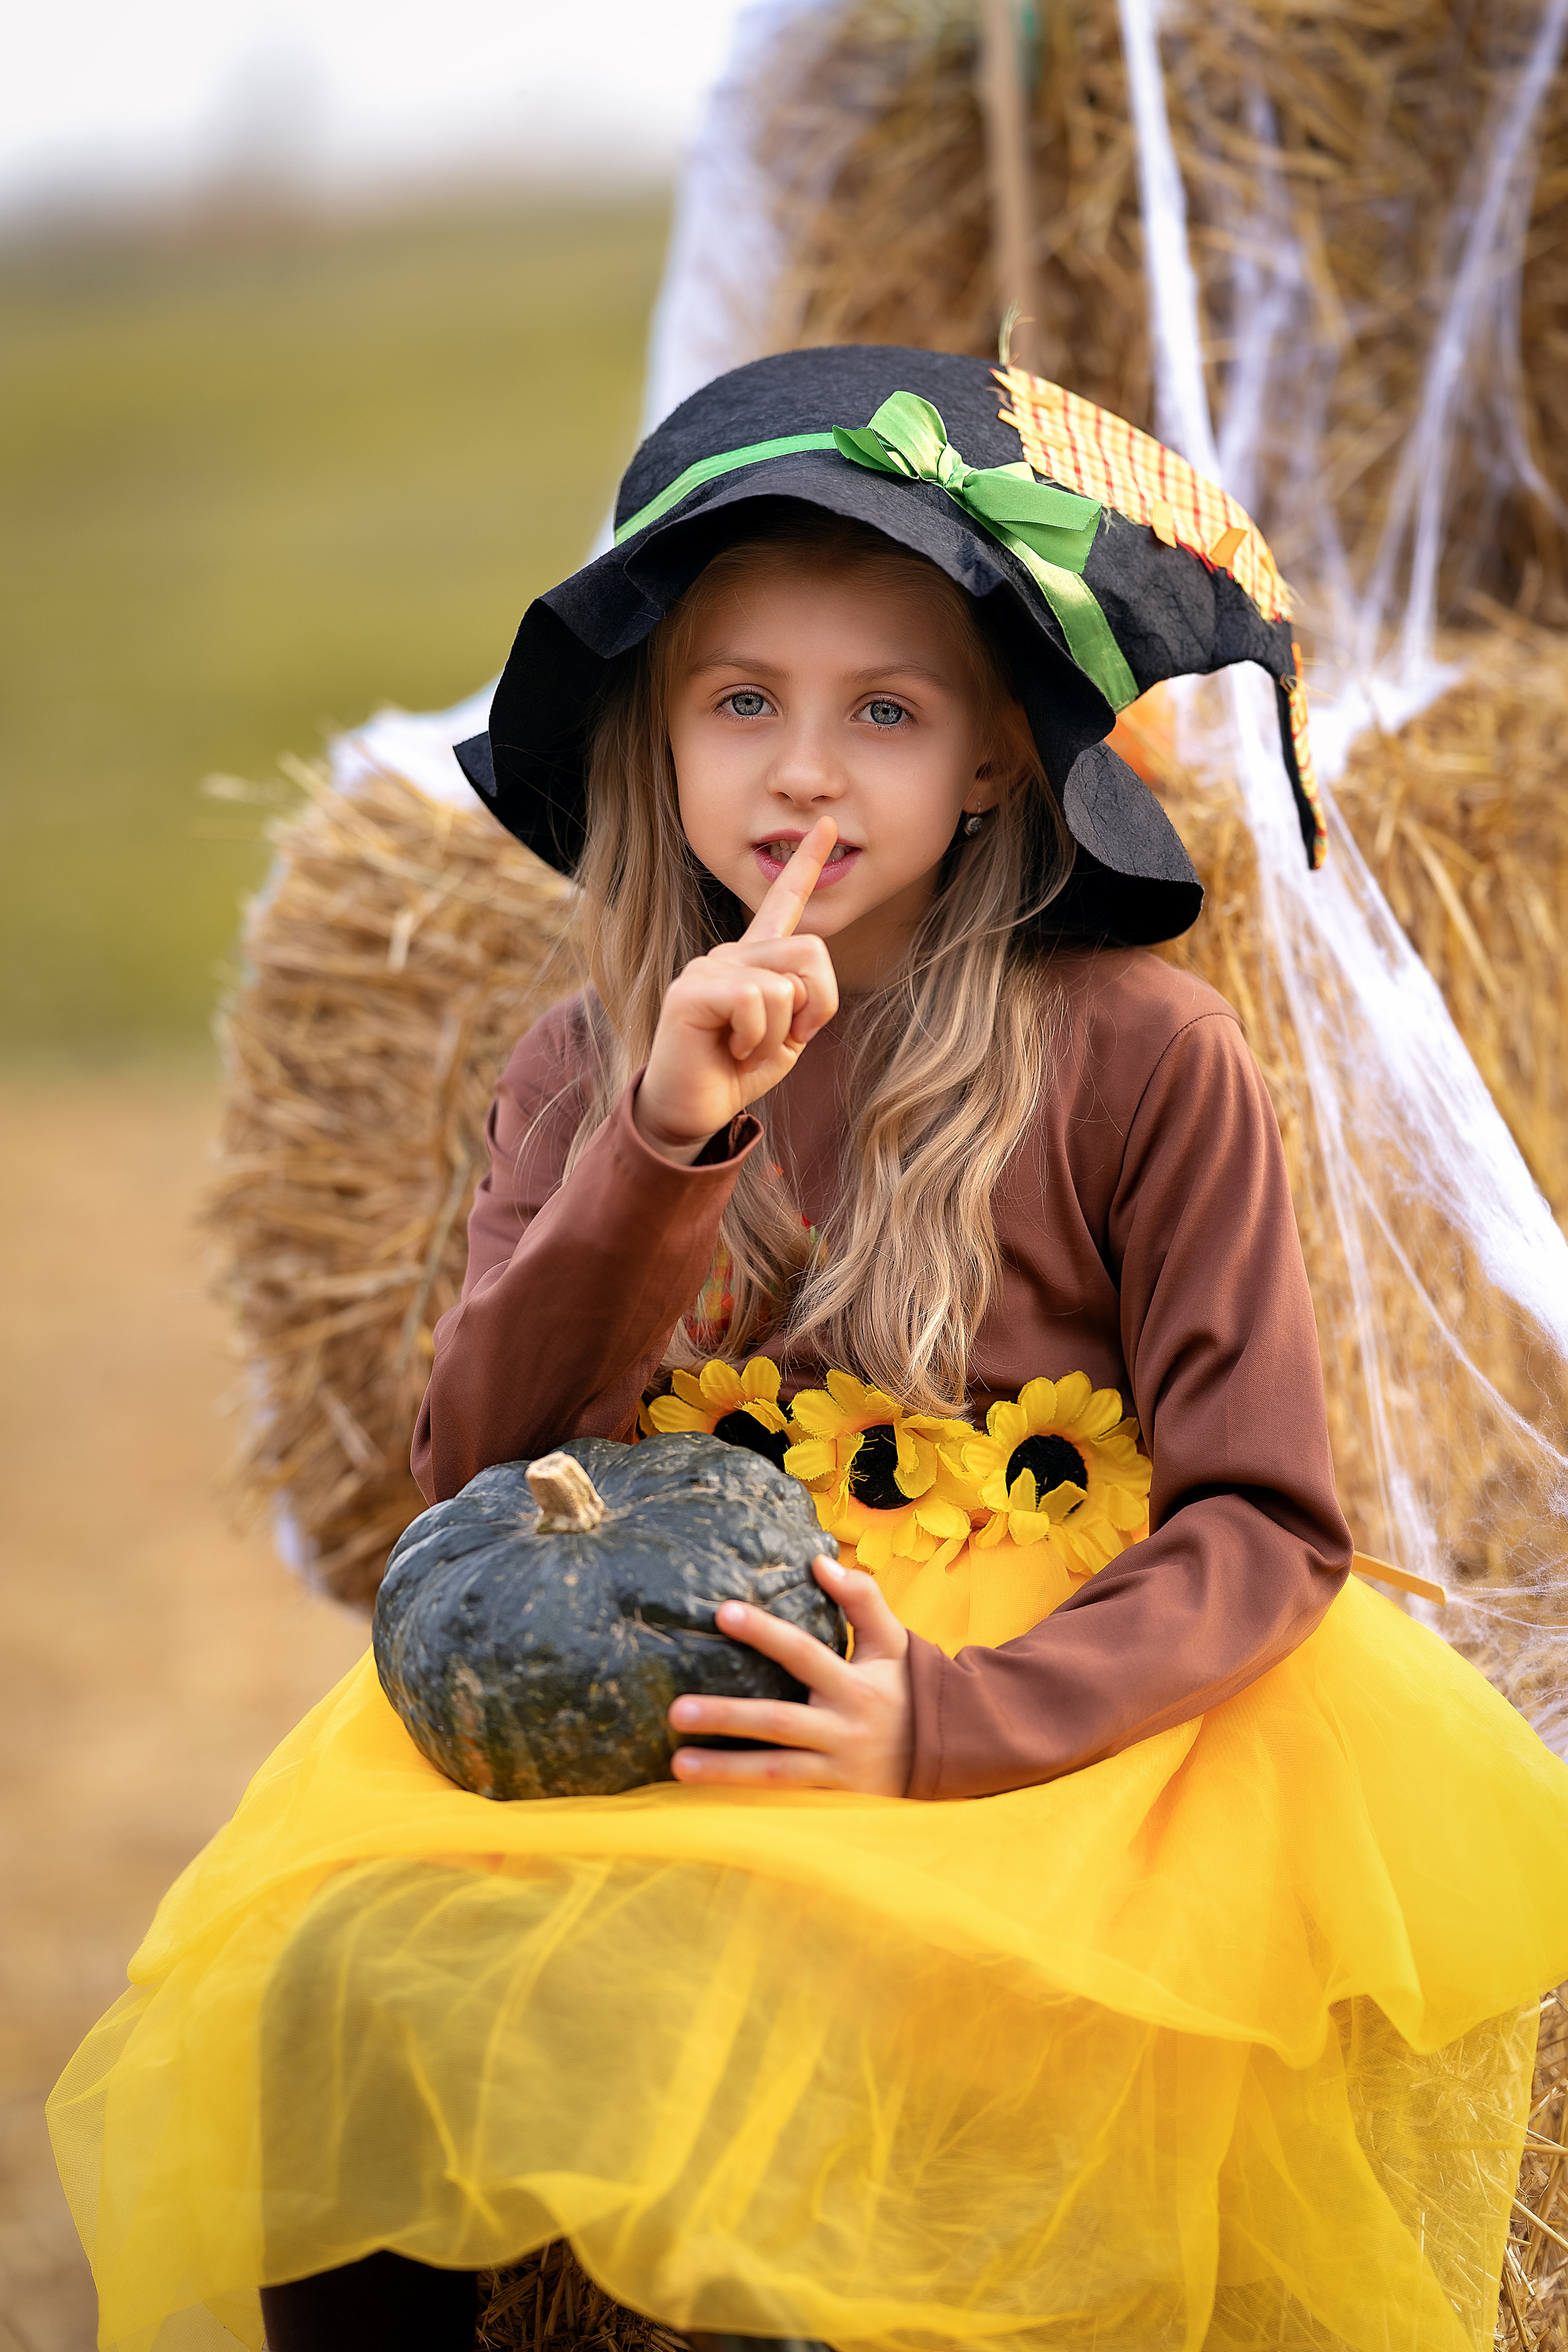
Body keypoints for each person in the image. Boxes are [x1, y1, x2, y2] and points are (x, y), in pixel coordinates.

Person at [50, 348, 1568, 2352]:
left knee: (859, 2008)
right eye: (742, 704)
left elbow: (1271, 1524)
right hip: (677, 1667)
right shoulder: (589, 1062)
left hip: (1037, 1707)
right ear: (656, 740)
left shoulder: (1146, 1062)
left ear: (997, 764)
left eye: (887, 713)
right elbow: (482, 1468)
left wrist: (937, 1727)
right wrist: (662, 1145)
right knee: (337, 1972)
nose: (807, 773)